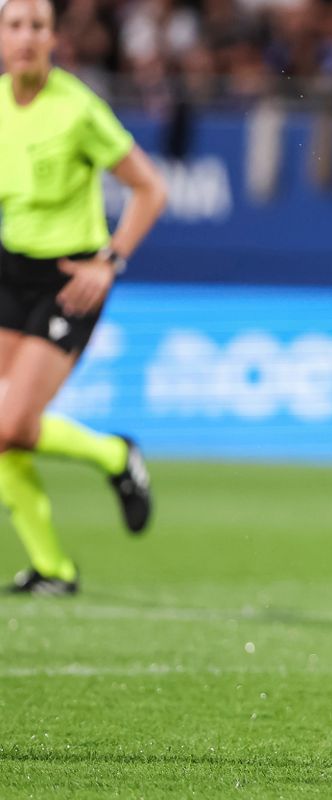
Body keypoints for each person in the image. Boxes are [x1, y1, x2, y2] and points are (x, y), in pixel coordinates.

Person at [0, 0, 166, 595]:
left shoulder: (76, 109)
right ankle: (52, 569)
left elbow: (150, 189)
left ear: (53, 38)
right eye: (14, 25)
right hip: (10, 270)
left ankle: (115, 456)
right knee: (1, 430)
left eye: (36, 26)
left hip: (71, 278)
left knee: (12, 423)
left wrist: (110, 261)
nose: (25, 37)